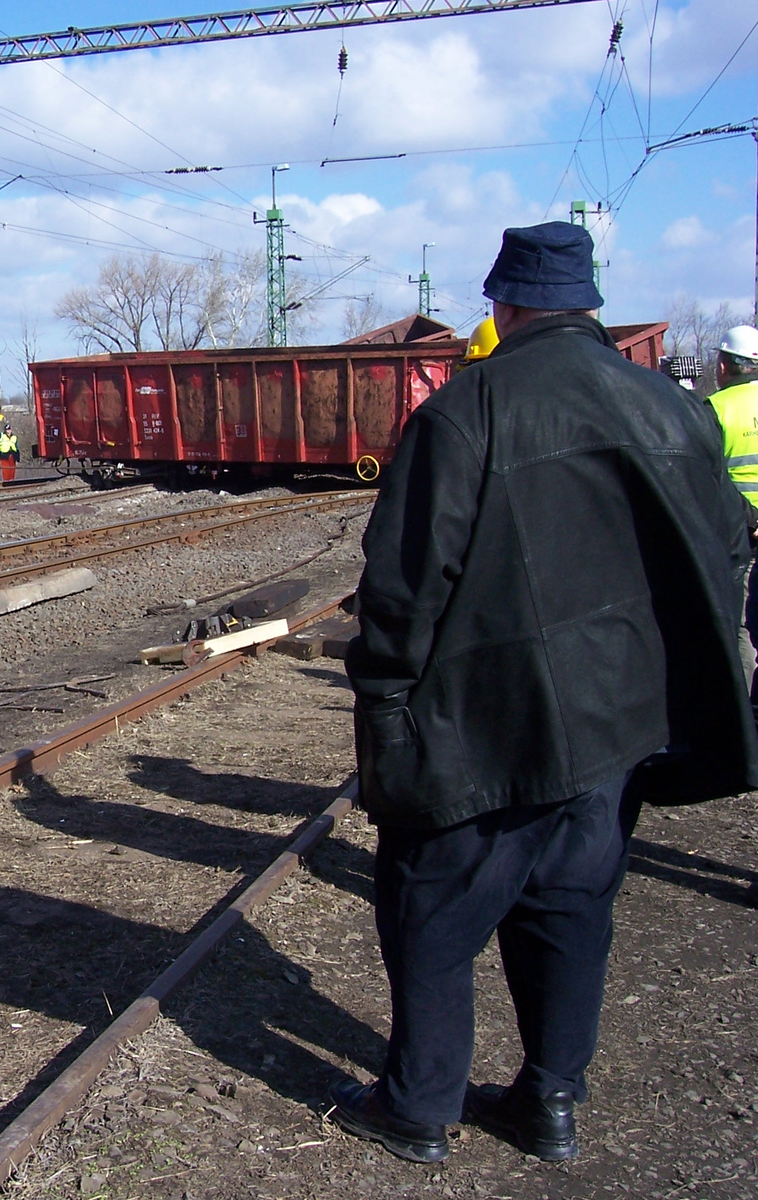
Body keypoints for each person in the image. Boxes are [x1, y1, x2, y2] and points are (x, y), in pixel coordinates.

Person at [329, 222, 758, 1165]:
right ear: (589, 304)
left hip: (489, 721)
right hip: (618, 728)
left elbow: (404, 586)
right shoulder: (674, 408)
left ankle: (417, 1107)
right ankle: (550, 1103)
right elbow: (730, 548)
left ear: (504, 305)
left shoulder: (469, 409)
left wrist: (385, 701)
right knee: (570, 907)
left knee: (433, 912)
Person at [706, 325, 758, 698]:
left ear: (724, 367)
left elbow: (705, 477)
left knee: (740, 627)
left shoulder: (717, 409)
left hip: (740, 534)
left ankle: (742, 706)